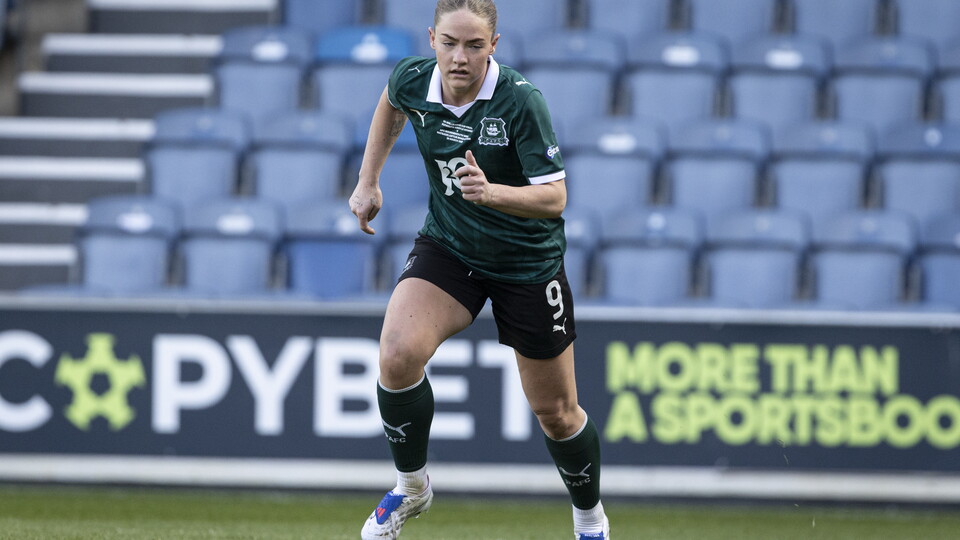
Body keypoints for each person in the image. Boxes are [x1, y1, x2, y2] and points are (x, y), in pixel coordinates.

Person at [349, 1, 609, 538]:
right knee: (397, 355)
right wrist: (368, 180)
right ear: (431, 39)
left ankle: (589, 518)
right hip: (452, 248)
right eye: (449, 43)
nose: (459, 57)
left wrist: (491, 193)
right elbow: (390, 104)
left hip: (526, 264)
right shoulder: (413, 78)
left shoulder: (520, 101)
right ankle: (411, 487)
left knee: (557, 413)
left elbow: (555, 197)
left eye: (473, 45)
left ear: (494, 45)